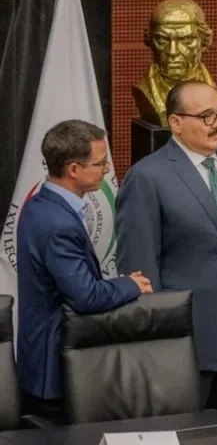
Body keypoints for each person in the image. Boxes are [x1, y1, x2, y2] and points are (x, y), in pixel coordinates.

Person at [116, 81, 217, 410]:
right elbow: (139, 268)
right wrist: (156, 340)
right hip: (184, 342)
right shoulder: (147, 177)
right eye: (207, 116)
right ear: (175, 123)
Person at [17, 120, 152, 424]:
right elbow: (86, 296)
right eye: (100, 163)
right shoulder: (58, 224)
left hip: (44, 360)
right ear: (74, 169)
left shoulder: (41, 204)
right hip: (54, 371)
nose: (107, 169)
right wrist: (131, 284)